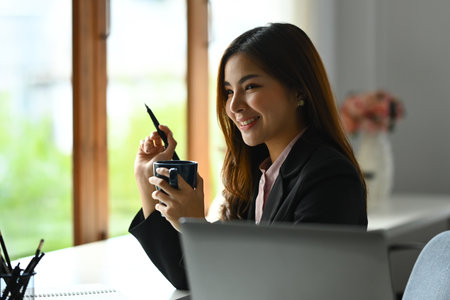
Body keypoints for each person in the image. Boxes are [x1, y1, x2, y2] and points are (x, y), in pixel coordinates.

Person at [129, 23, 367, 290]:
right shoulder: (257, 176)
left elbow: (294, 286)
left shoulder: (329, 176)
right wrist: (145, 177)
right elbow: (187, 277)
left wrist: (197, 226)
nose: (234, 106)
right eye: (229, 91)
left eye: (250, 86)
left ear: (298, 89)